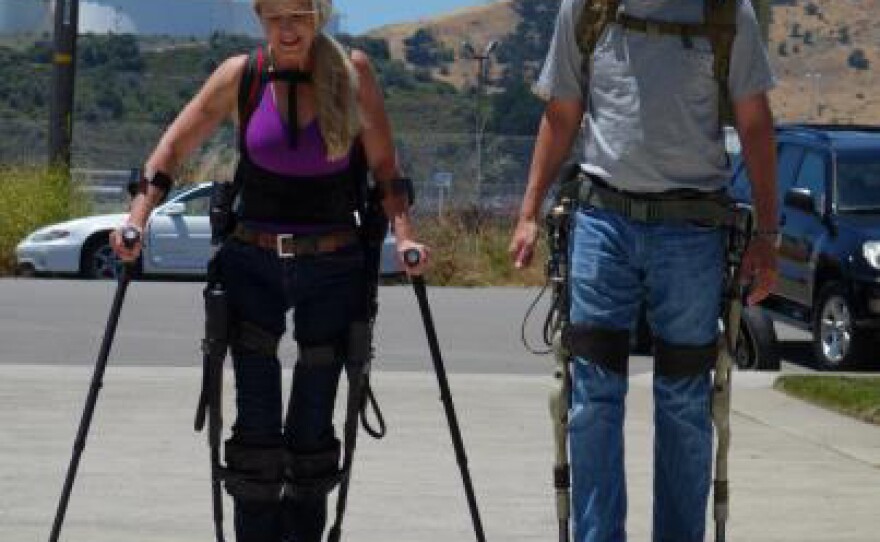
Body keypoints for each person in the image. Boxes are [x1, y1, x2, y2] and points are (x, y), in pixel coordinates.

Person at [112, 1, 428, 541]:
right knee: (255, 434)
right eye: (276, 16)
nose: (287, 28)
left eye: (299, 15)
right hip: (252, 264)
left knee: (312, 431)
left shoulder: (353, 74)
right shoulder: (243, 76)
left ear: (317, 17)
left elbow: (384, 167)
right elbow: (172, 149)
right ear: (260, 19)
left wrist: (405, 237)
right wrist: (135, 221)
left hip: (332, 266)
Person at [509, 1, 777, 541]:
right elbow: (562, 113)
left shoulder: (726, 11)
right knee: (592, 395)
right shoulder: (586, 8)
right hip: (603, 222)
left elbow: (754, 121)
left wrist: (768, 236)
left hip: (692, 229)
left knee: (684, 398)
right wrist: (528, 213)